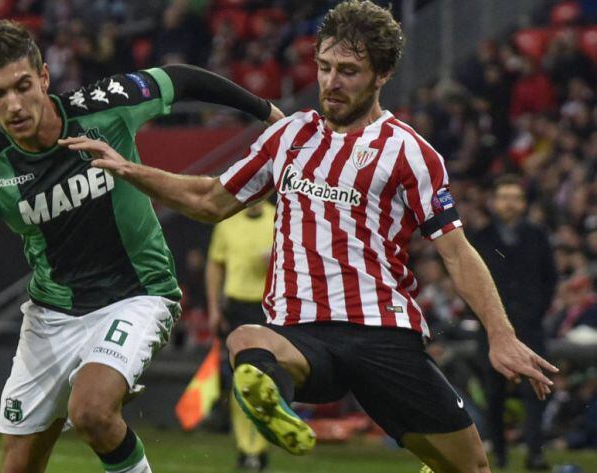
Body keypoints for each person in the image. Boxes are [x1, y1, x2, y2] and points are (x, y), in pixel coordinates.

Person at [63, 2, 559, 471]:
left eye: (348, 71)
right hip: (302, 334)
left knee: (471, 466)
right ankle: (273, 409)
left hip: (383, 336)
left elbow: (455, 250)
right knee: (246, 338)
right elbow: (212, 200)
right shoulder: (288, 136)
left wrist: (501, 335)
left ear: (382, 75)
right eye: (324, 67)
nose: (330, 82)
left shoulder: (410, 152)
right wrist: (130, 169)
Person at [0, 20, 282, 473]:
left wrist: (265, 112)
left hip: (137, 294)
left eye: (23, 86)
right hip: (51, 315)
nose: (13, 104)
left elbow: (183, 78)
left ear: (45, 78)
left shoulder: (104, 106)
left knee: (91, 411)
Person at [469, 175, 557, 470]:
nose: (510, 203)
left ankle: (535, 452)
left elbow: (550, 280)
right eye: (504, 196)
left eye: (515, 197)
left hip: (530, 327)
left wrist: (534, 312)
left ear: (523, 203)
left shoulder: (538, 236)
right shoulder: (480, 238)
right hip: (492, 330)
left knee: (537, 391)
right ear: (494, 202)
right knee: (494, 395)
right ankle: (501, 454)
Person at [206, 200, 275, 471]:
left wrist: (276, 259)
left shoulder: (278, 218)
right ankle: (246, 448)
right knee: (240, 380)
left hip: (267, 307)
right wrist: (213, 307)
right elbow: (215, 264)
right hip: (236, 307)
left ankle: (259, 447)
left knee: (264, 380)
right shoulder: (227, 220)